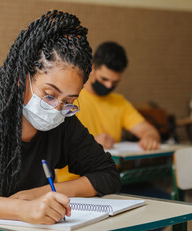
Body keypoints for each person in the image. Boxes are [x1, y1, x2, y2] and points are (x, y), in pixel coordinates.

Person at [0, 10, 121, 231]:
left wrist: (38, 194)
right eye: (49, 94)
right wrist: (24, 210)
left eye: (69, 101)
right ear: (23, 79)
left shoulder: (63, 122)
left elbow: (107, 174)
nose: (56, 109)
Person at [56, 41, 161, 183]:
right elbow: (55, 147)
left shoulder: (119, 102)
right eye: (104, 79)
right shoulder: (70, 99)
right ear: (92, 68)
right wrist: (90, 145)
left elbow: (147, 130)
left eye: (115, 82)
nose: (108, 85)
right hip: (73, 182)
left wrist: (150, 137)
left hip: (109, 180)